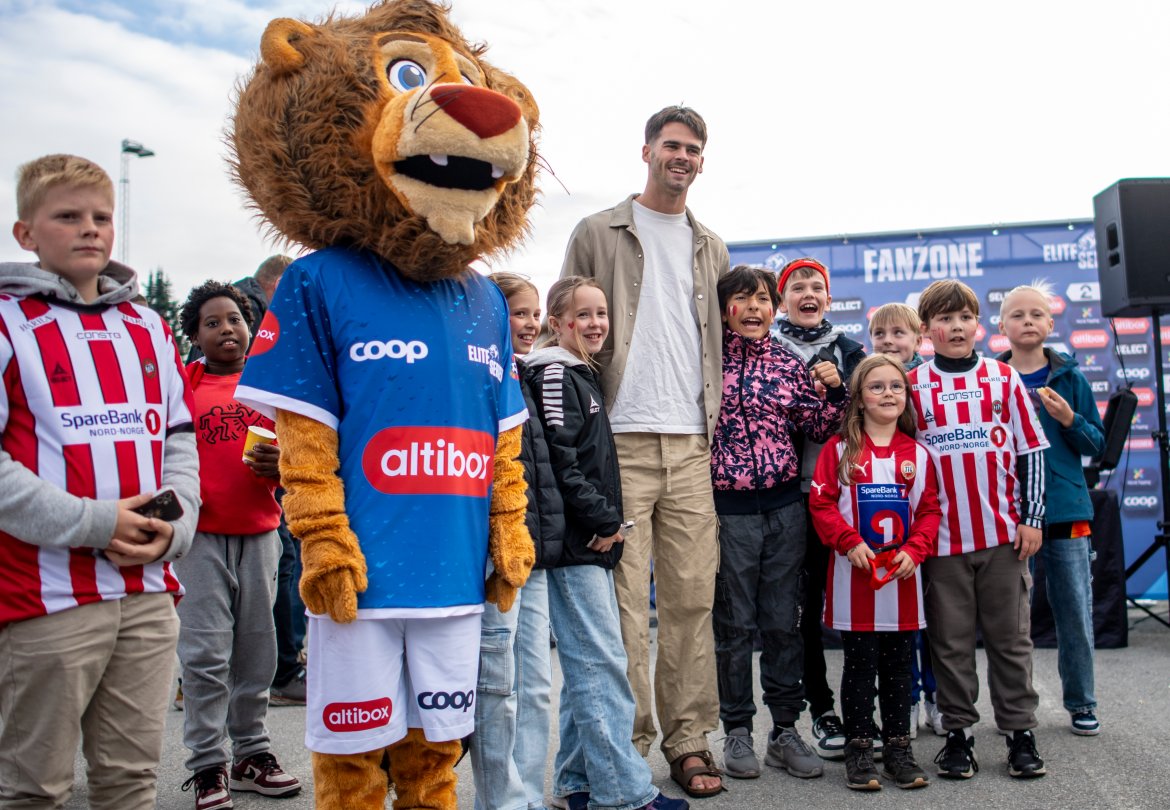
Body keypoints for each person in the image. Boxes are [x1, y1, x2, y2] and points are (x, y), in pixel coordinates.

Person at [0, 154, 199, 809]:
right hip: (43, 598)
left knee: (131, 781)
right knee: (36, 788)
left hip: (146, 592)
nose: (90, 229)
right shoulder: (6, 324)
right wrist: (96, 521)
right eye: (68, 216)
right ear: (25, 233)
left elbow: (179, 439)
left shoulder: (146, 325)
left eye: (101, 217)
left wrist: (177, 527)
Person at [560, 105, 727, 798]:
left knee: (691, 600)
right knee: (623, 608)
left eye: (692, 149)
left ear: (701, 159)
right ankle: (624, 751)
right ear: (647, 151)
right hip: (618, 441)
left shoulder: (710, 245)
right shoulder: (598, 230)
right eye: (670, 146)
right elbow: (565, 320)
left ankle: (688, 742)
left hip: (691, 442)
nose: (680, 157)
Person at [526, 277, 688, 810]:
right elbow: (557, 452)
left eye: (602, 313)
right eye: (583, 315)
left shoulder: (577, 373)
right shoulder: (553, 371)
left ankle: (577, 783)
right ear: (558, 323)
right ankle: (623, 794)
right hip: (576, 542)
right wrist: (603, 519)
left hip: (588, 540)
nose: (596, 323)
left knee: (586, 667)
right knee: (601, 663)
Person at [908, 279, 1049, 780]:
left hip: (1003, 538)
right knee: (950, 642)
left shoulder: (1003, 378)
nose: (955, 327)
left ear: (977, 325)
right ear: (927, 330)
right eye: (944, 319)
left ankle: (1020, 733)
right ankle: (958, 735)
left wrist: (1032, 518)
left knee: (1011, 641)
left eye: (964, 317)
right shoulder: (912, 385)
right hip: (941, 543)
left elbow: (1031, 451)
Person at [709, 266, 846, 781]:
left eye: (762, 299)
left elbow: (821, 425)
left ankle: (785, 730)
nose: (753, 308)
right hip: (729, 511)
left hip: (787, 510)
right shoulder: (708, 360)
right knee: (735, 627)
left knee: (784, 625)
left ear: (774, 308)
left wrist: (835, 391)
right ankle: (738, 729)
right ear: (725, 309)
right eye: (741, 299)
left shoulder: (788, 362)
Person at [177, 281, 301, 809]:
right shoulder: (182, 389)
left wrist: (286, 465)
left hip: (261, 534)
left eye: (234, 319)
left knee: (258, 651)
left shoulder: (271, 386)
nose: (226, 329)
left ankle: (252, 754)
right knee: (205, 654)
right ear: (196, 336)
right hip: (199, 539)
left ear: (250, 326)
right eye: (212, 323)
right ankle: (208, 765)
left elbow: (304, 450)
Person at [810, 355, 941, 791]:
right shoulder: (839, 450)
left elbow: (928, 511)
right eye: (877, 386)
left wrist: (916, 549)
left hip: (902, 582)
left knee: (900, 667)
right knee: (861, 665)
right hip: (856, 580)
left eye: (896, 387)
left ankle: (899, 749)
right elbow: (823, 505)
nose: (888, 394)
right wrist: (849, 541)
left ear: (906, 398)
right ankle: (860, 749)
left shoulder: (918, 454)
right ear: (859, 398)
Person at [997, 281, 1105, 737]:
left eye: (1035, 314)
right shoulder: (990, 377)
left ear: (1050, 323)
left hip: (1063, 513)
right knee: (1008, 623)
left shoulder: (1070, 379)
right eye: (1017, 315)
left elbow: (1096, 444)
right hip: (1006, 515)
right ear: (1000, 326)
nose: (1027, 321)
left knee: (1074, 613)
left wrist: (1068, 419)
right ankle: (1015, 712)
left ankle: (1081, 703)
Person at [470, 272, 558, 810]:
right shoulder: (476, 377)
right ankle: (500, 800)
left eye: (534, 314)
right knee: (498, 688)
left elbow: (542, 470)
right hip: (494, 552)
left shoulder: (531, 375)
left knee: (539, 686)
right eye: (517, 312)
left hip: (536, 554)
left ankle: (528, 794)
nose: (529, 323)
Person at [772, 257, 865, 760]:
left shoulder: (851, 351)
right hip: (789, 498)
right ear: (783, 299)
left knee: (855, 607)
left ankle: (860, 708)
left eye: (817, 287)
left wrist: (841, 388)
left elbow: (873, 413)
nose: (808, 293)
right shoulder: (765, 350)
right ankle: (821, 708)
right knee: (801, 614)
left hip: (845, 498)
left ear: (828, 299)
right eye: (797, 287)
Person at [867, 302, 942, 738]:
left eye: (899, 333)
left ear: (919, 339)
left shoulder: (930, 384)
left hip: (930, 514)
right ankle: (907, 697)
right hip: (885, 518)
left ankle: (935, 696)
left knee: (933, 616)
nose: (889, 342)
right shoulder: (870, 381)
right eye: (880, 334)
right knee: (900, 621)